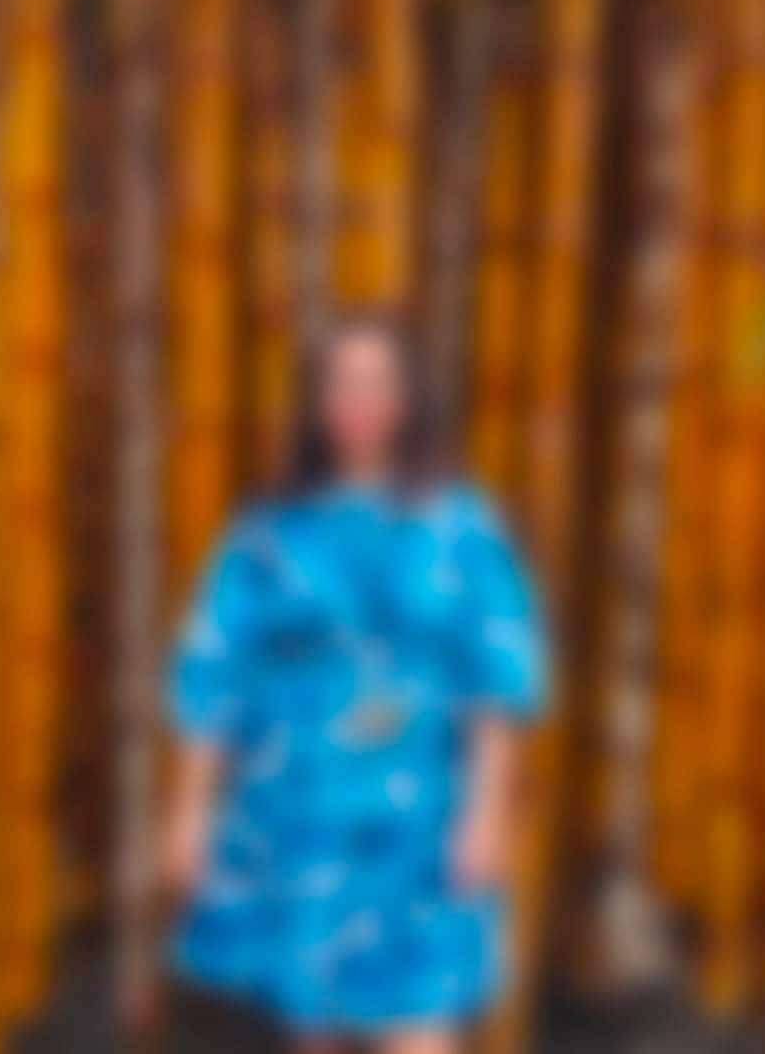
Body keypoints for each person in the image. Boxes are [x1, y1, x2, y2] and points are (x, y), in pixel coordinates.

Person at [161, 310, 549, 1054]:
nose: (359, 402)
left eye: (377, 384)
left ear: (408, 399)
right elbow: (212, 673)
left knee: (423, 1017)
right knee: (313, 1018)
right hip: (295, 807)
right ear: (316, 399)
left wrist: (488, 808)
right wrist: (189, 811)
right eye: (342, 383)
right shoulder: (270, 531)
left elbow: (498, 675)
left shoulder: (460, 525)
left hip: (421, 816)